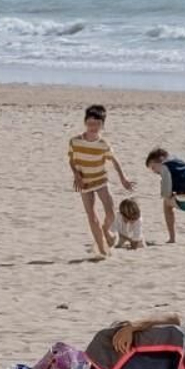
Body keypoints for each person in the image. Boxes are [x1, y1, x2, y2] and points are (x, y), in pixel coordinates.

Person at [68, 104, 134, 259]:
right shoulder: (75, 141)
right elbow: (71, 160)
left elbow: (114, 161)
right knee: (91, 216)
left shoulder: (103, 144)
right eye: (90, 123)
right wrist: (77, 176)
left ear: (102, 125)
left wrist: (123, 178)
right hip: (84, 182)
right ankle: (103, 250)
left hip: (101, 180)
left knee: (110, 212)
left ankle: (106, 230)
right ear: (85, 122)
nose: (93, 127)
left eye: (97, 124)